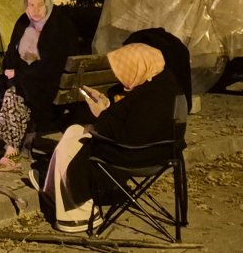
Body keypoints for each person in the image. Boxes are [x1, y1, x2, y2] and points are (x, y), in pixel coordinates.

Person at [35, 42, 179, 233]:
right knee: (74, 132)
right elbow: (130, 120)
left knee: (73, 142)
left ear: (138, 67)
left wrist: (101, 114)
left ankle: (77, 212)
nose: (119, 78)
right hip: (161, 151)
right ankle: (56, 193)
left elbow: (126, 135)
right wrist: (108, 106)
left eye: (124, 71)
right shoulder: (162, 83)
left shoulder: (152, 97)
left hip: (135, 155)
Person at [0, 0, 78, 170]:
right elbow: (11, 53)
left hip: (47, 82)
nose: (35, 10)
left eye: (40, 5)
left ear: (48, 4)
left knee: (14, 94)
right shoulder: (23, 22)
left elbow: (52, 63)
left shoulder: (59, 26)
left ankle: (12, 151)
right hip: (23, 76)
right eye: (31, 5)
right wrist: (10, 68)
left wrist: (21, 74)